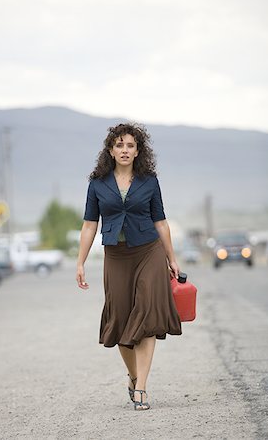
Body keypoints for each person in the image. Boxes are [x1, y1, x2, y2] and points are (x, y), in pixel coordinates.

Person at [76, 122, 182, 411]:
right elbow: (89, 225)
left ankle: (143, 390)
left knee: (146, 313)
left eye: (130, 145)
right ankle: (134, 377)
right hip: (116, 256)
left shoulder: (149, 181)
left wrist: (171, 258)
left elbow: (160, 221)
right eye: (119, 145)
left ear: (138, 151)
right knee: (121, 319)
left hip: (148, 251)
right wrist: (81, 262)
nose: (125, 150)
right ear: (110, 150)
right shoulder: (98, 183)